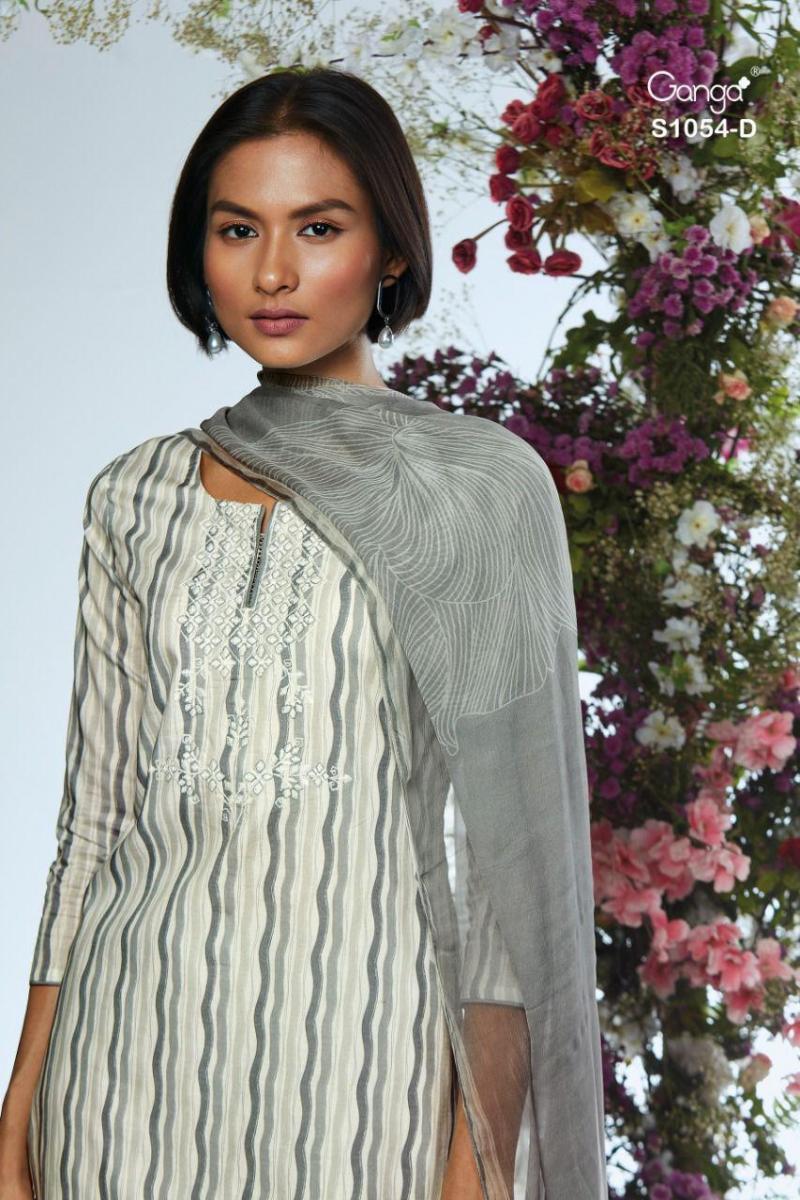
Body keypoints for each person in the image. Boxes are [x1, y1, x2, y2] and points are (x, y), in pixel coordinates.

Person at [2, 66, 607, 1200]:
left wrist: (473, 1165)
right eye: (238, 229)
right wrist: (18, 1115)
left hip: (368, 1087)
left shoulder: (476, 490)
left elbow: (506, 888)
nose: (272, 272)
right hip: (121, 1073)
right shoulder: (135, 494)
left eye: (317, 228)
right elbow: (92, 827)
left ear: (390, 253)